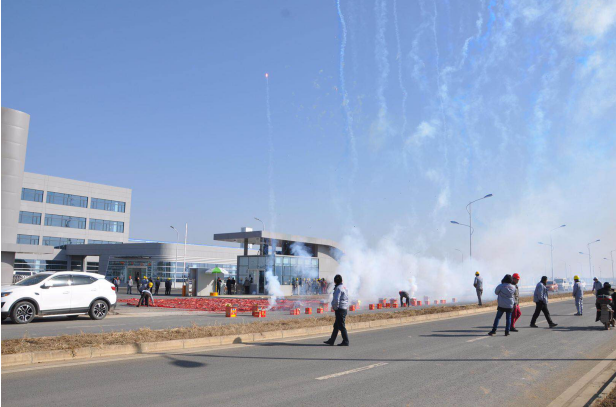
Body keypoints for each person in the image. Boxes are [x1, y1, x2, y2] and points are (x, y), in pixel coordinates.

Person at [324, 274, 349, 346]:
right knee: (336, 326)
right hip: (344, 308)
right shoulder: (344, 287)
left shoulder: (338, 288)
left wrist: (335, 307)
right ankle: (332, 340)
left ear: (335, 281)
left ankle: (346, 341)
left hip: (340, 309)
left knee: (341, 326)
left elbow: (336, 299)